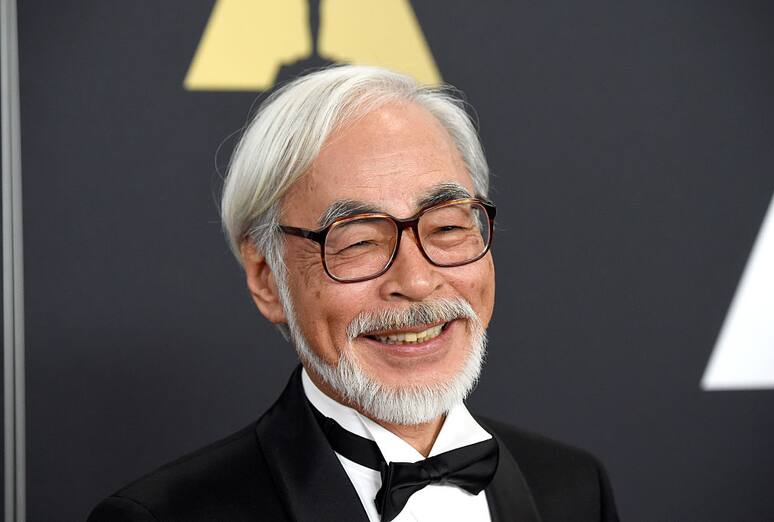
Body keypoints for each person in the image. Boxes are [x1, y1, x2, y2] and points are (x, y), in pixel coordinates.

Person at [88, 65, 619, 522]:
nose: (415, 281)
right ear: (266, 277)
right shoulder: (165, 518)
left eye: (447, 228)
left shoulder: (574, 489)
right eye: (359, 241)